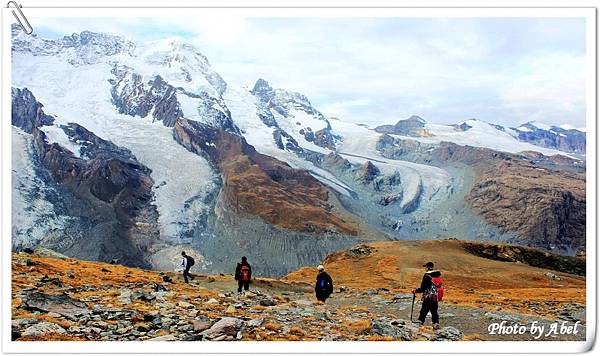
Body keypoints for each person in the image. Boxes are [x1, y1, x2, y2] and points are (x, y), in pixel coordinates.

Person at [412, 261, 442, 329]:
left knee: (424, 310)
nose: (425, 268)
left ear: (428, 267)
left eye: (425, 267)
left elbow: (423, 288)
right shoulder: (437, 275)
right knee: (434, 311)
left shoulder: (426, 276)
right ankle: (436, 324)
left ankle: (420, 323)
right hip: (435, 297)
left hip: (428, 296)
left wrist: (415, 290)